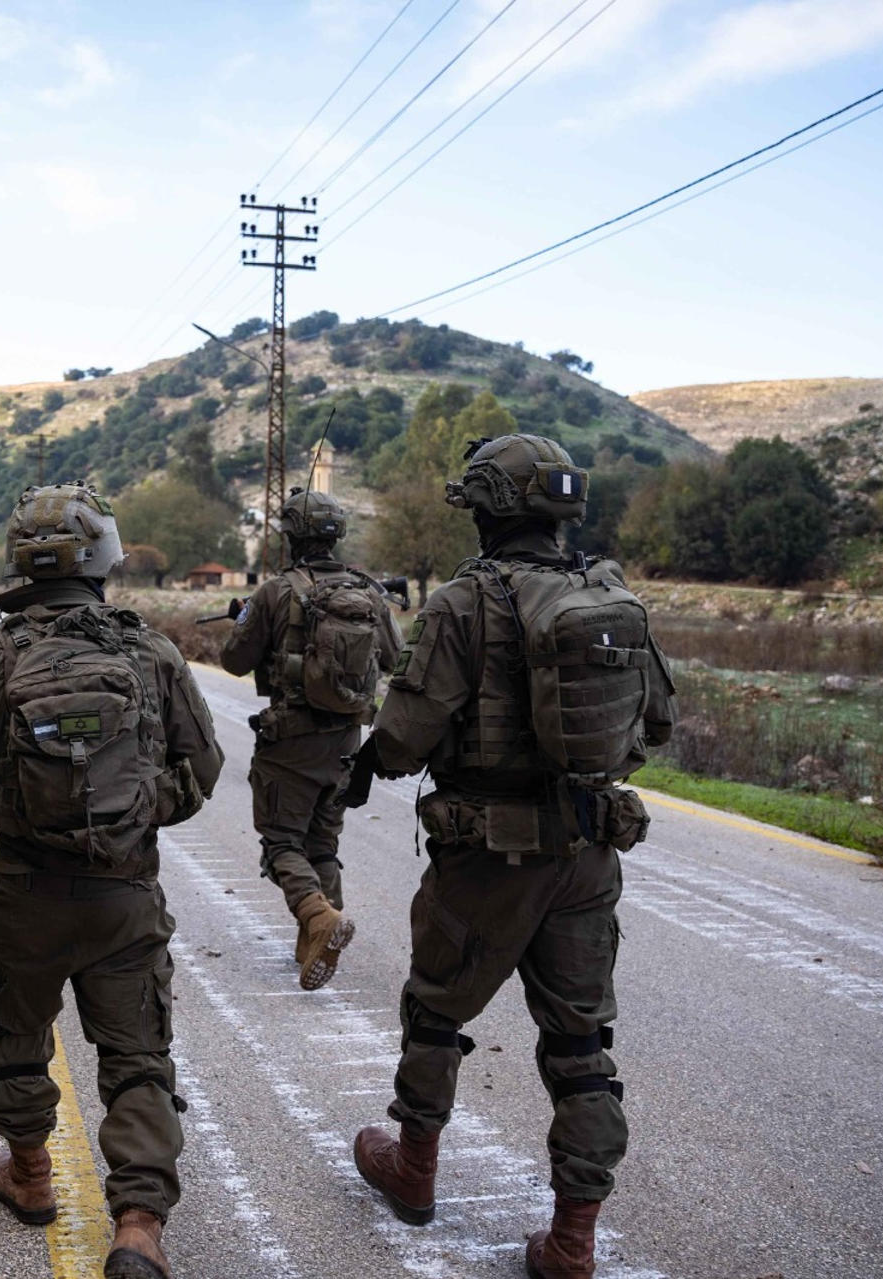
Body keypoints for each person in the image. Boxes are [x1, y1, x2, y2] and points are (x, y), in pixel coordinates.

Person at [345, 435, 674, 1278]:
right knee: (580, 1046)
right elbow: (657, 725)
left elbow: (405, 733)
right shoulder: (608, 595)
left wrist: (360, 769)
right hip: (588, 851)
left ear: (488, 506)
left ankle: (413, 1168)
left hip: (487, 857)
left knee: (435, 1012)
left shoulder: (463, 601)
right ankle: (573, 1241)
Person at [0, 482, 224, 1279]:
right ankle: (140, 1226)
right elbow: (204, 765)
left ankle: (32, 1172)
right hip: (124, 893)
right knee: (137, 1053)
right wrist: (142, 807)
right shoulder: (150, 650)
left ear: (21, 559)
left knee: (17, 1034)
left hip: (25, 888)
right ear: (106, 554)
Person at [219, 487, 401, 991]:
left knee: (281, 840)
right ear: (337, 533)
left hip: (290, 740)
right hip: (345, 738)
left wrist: (246, 618)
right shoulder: (369, 593)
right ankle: (315, 937)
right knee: (323, 842)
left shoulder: (276, 591)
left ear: (290, 536)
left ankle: (318, 917)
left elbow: (233, 660)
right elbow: (396, 659)